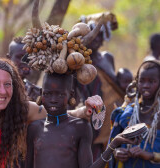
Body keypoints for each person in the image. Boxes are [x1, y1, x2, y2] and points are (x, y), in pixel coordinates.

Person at [26, 72, 138, 168]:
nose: (53, 100)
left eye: (60, 94)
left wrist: (113, 145)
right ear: (41, 94)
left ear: (71, 95)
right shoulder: (34, 128)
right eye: (47, 94)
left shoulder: (80, 127)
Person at [78, 12, 126, 161]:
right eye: (92, 35)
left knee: (114, 152)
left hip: (113, 115)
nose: (96, 39)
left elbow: (115, 86)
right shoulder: (79, 60)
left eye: (99, 35)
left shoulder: (108, 57)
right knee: (94, 154)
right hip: (93, 116)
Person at [109, 60, 160, 168]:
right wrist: (116, 152)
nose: (146, 85)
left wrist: (150, 156)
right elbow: (113, 144)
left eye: (151, 81)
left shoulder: (158, 115)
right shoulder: (126, 113)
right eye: (142, 81)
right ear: (136, 82)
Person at [7, 37, 41, 102]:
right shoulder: (2, 88)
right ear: (9, 58)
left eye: (29, 57)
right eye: (19, 57)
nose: (25, 61)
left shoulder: (34, 92)